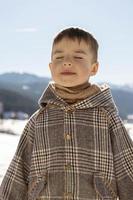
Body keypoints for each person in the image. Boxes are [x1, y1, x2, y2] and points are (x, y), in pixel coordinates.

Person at [0, 27, 133, 200]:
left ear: (94, 68)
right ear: (50, 67)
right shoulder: (38, 120)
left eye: (78, 56)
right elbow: (19, 169)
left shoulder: (107, 118)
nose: (67, 62)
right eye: (59, 57)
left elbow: (127, 169)